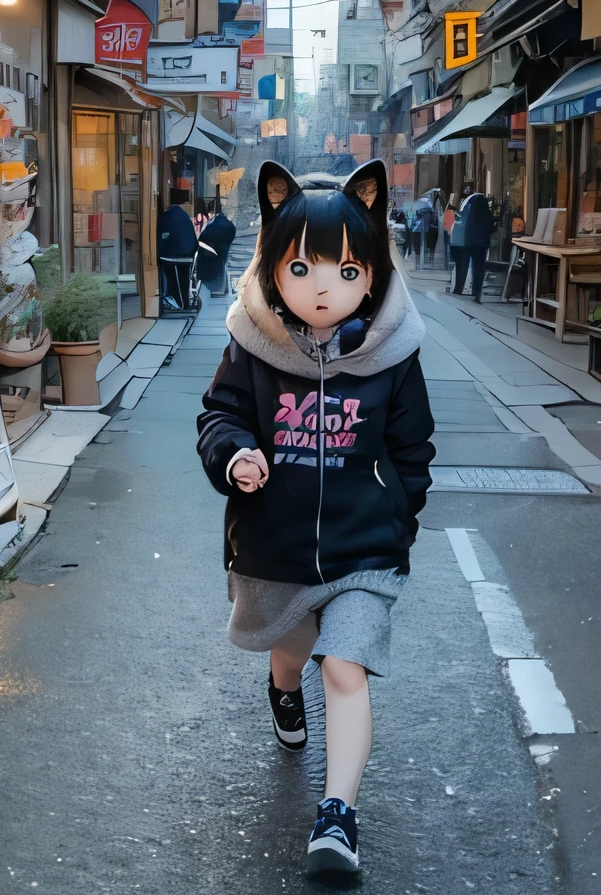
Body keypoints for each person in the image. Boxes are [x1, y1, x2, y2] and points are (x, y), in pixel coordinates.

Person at [197, 160, 435, 876]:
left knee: (345, 663)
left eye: (346, 269)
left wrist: (398, 517)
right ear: (275, 265)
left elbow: (412, 446)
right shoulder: (252, 344)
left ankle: (338, 817)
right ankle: (280, 685)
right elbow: (222, 416)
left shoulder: (394, 352)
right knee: (296, 652)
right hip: (275, 545)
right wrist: (237, 457)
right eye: (302, 268)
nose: (323, 287)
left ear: (373, 271)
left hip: (364, 550)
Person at [451, 183, 496, 302]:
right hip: (480, 242)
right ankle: (476, 292)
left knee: (462, 264)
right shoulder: (482, 203)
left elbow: (463, 221)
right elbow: (489, 225)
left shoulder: (468, 203)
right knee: (479, 267)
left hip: (466, 240)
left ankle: (458, 288)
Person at [158, 188, 199, 308]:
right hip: (188, 253)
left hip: (175, 255)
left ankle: (178, 303)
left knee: (173, 279)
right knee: (183, 280)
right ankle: (183, 303)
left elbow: (162, 236)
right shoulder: (183, 214)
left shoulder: (167, 216)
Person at [195, 197, 236, 296]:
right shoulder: (228, 223)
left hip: (217, 257)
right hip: (226, 252)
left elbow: (202, 237)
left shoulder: (213, 225)